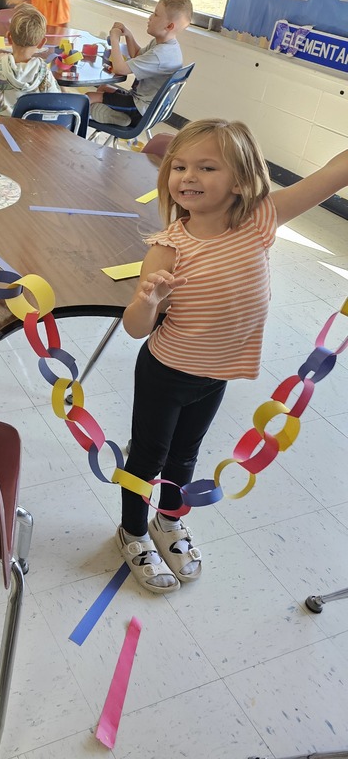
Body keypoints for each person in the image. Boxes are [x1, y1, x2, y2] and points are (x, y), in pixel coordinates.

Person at [116, 118, 348, 595]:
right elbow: (136, 329)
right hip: (167, 371)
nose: (188, 176)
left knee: (184, 456)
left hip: (215, 373)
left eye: (206, 167)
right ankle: (133, 531)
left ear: (242, 181)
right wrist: (148, 301)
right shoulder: (167, 248)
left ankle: (168, 520)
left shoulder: (260, 222)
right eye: (179, 166)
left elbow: (331, 174)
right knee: (147, 457)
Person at [86, 0, 192, 129]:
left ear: (169, 26)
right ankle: (116, 116)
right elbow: (137, 55)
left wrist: (114, 39)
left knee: (88, 97)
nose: (150, 17)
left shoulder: (160, 55)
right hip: (145, 105)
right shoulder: (166, 45)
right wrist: (128, 35)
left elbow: (120, 69)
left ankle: (122, 119)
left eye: (156, 14)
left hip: (140, 110)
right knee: (103, 88)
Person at [0, 4, 61, 117]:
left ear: (9, 38)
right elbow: (56, 100)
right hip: (29, 131)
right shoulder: (44, 72)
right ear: (41, 43)